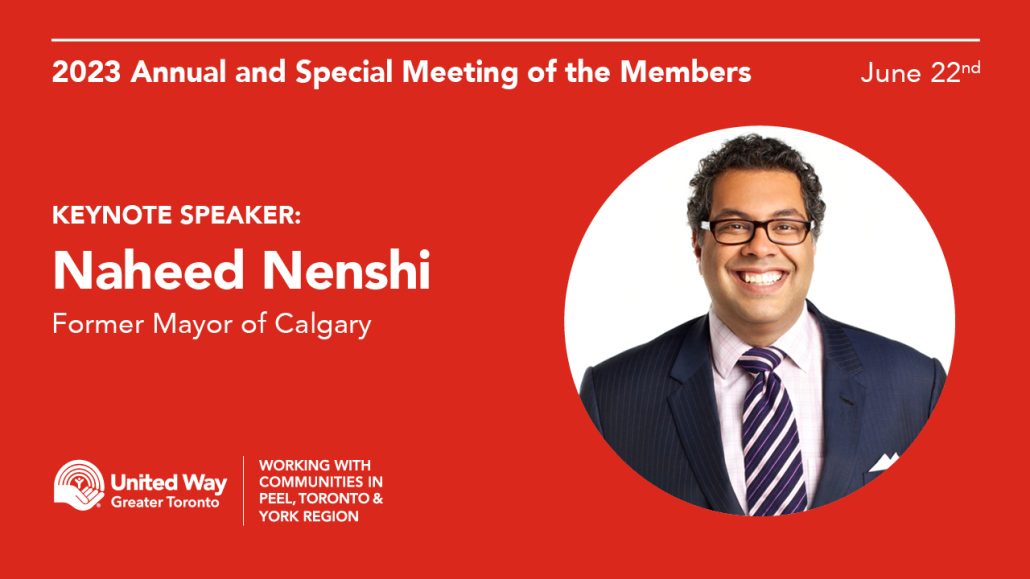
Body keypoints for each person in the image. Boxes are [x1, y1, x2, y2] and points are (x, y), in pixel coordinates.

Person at [579, 134, 945, 516]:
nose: (760, 246)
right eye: (735, 225)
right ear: (698, 245)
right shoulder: (611, 399)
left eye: (785, 226)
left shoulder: (917, 386)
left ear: (812, 243)